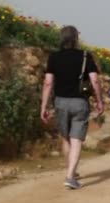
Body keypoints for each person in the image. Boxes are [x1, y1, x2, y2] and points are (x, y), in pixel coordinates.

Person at [40, 25, 104, 190]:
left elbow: (48, 83)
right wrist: (99, 100)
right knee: (76, 140)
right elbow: (95, 80)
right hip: (80, 103)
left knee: (66, 138)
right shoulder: (85, 56)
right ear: (76, 38)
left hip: (60, 102)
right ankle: (70, 175)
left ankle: (71, 172)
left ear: (61, 38)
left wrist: (44, 106)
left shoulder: (54, 57)